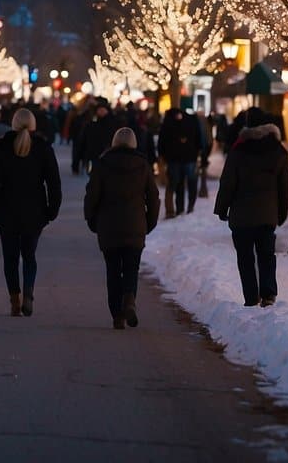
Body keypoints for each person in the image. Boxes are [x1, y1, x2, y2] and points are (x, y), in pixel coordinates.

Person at [0, 108, 62, 317]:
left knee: (10, 258)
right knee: (29, 256)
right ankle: (28, 293)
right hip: (34, 211)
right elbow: (53, 182)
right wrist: (52, 209)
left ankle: (14, 299)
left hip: (7, 210)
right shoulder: (43, 148)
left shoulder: (2, 147)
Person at [83, 128, 161, 329]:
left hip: (108, 227)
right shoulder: (143, 165)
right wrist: (148, 223)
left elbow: (92, 195)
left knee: (112, 270)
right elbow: (153, 198)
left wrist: (92, 220)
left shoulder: (102, 164)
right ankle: (129, 299)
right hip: (135, 225)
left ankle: (117, 315)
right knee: (131, 268)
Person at [213, 122, 288, 307]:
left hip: (242, 216)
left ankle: (251, 297)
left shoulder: (238, 151)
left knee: (245, 258)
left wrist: (222, 208)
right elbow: (287, 188)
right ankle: (268, 294)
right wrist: (281, 213)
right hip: (267, 215)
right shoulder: (279, 152)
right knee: (267, 255)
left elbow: (227, 183)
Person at [158, 107, 202, 215]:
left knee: (177, 184)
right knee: (190, 181)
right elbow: (199, 139)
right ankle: (189, 206)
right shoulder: (192, 120)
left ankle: (179, 208)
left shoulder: (168, 122)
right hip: (189, 156)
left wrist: (163, 156)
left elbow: (162, 141)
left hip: (174, 158)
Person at [75, 98, 119, 175]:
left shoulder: (113, 123)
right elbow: (84, 140)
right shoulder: (91, 124)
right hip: (93, 154)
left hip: (108, 154)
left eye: (103, 110)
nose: (101, 111)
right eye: (99, 110)